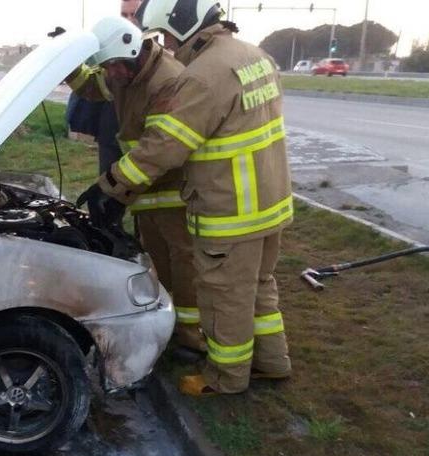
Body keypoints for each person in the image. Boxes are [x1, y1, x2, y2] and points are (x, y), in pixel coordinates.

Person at [87, 0, 293, 396]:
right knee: (259, 286)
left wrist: (109, 186)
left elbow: (165, 146)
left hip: (231, 208)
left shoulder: (203, 77)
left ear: (182, 25)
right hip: (270, 200)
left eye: (165, 34)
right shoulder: (255, 57)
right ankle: (272, 362)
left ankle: (226, 379)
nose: (165, 43)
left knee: (225, 296)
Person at [69, 16, 205, 353]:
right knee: (156, 262)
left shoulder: (168, 81)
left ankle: (189, 337)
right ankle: (164, 325)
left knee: (183, 264)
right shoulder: (123, 72)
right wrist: (70, 64)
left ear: (134, 48)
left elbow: (158, 150)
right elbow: (93, 86)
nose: (111, 74)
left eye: (114, 66)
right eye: (107, 66)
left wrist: (110, 186)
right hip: (144, 189)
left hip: (173, 191)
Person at [67, 0, 143, 175]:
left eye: (134, 15)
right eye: (124, 15)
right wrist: (69, 60)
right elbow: (93, 85)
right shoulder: (110, 52)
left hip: (143, 150)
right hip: (111, 135)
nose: (129, 21)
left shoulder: (160, 62)